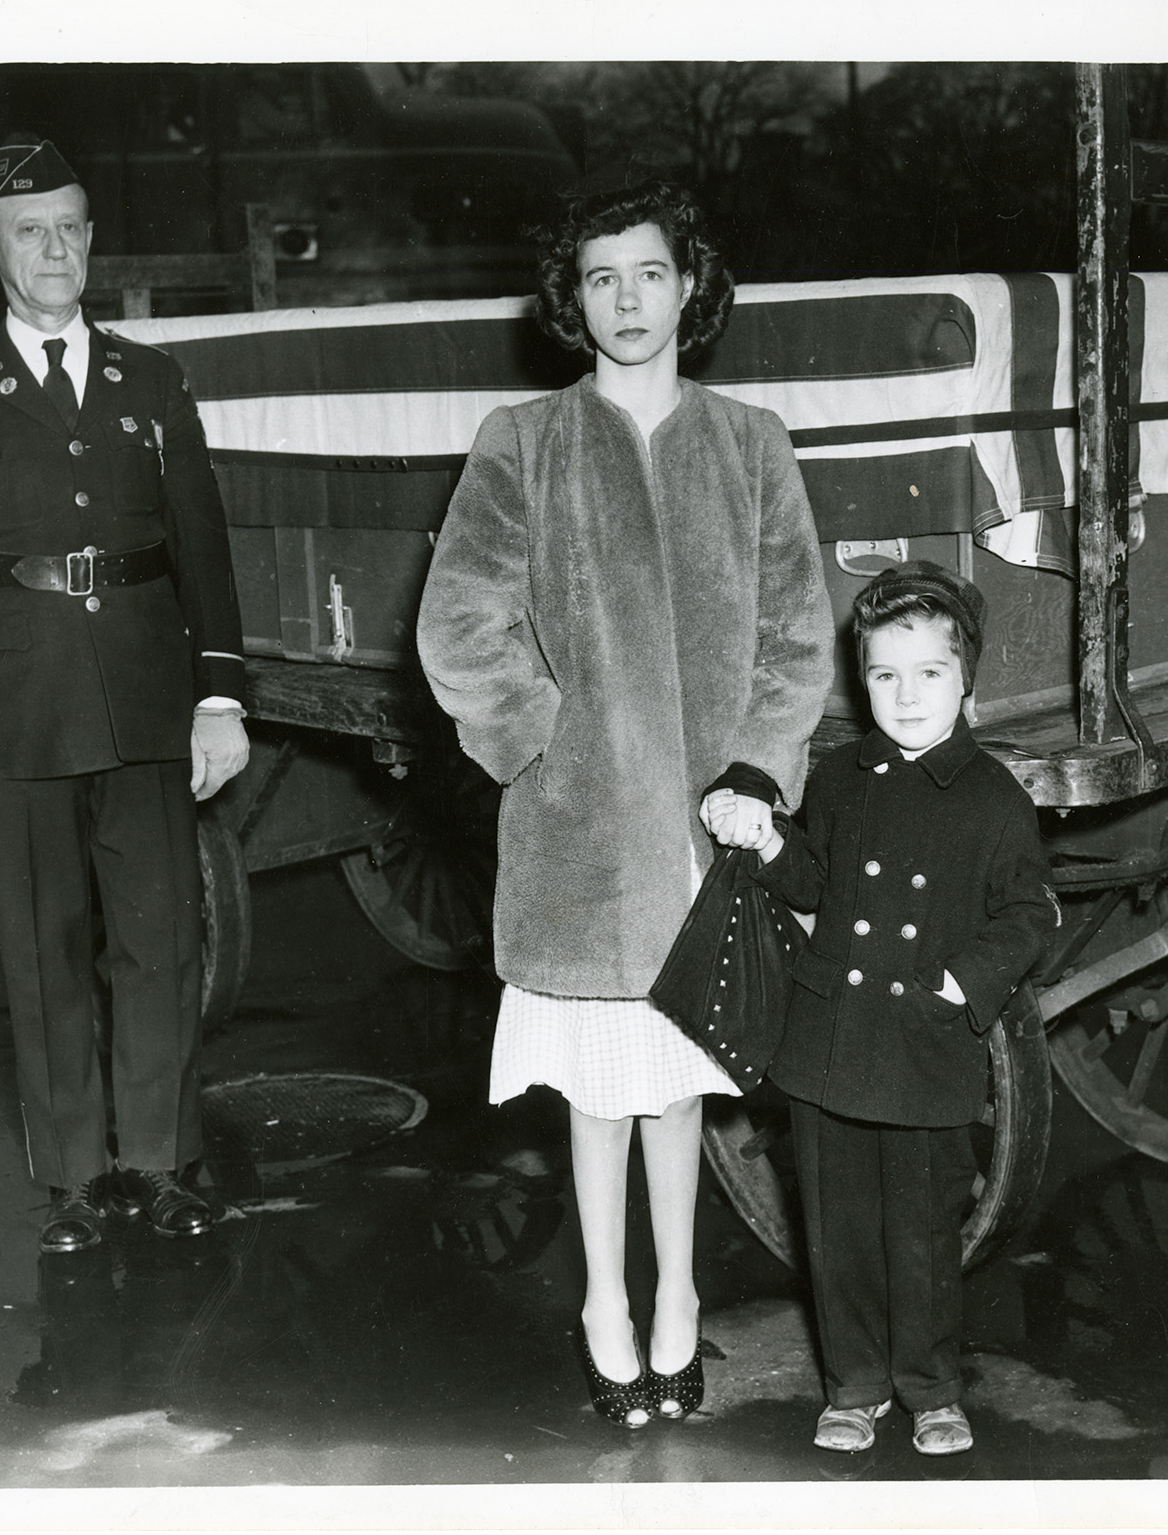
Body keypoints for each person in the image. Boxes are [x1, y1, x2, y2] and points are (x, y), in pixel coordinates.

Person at [417, 179, 833, 1426]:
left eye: (650, 272)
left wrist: (759, 769)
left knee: (682, 1089)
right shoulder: (525, 442)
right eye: (602, 278)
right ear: (573, 299)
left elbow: (799, 637)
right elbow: (459, 621)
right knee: (600, 1091)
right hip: (582, 830)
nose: (628, 299)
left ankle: (681, 1305)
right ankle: (605, 1301)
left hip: (714, 828)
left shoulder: (750, 442)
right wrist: (540, 741)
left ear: (690, 284)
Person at [0, 136, 249, 1254]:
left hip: (144, 695)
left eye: (70, 228)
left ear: (92, 241)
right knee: (43, 950)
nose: (53, 249)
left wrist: (220, 698)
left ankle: (160, 1157)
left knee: (161, 943)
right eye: (28, 229)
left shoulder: (153, 381)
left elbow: (204, 549)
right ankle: (76, 1178)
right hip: (19, 709)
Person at [707, 561, 1058, 1456]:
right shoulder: (840, 777)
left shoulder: (993, 800)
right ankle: (854, 1386)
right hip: (831, 1048)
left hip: (921, 1048)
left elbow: (1028, 914)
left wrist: (962, 985)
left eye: (930, 673)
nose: (907, 695)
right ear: (861, 680)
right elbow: (816, 879)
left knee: (923, 1235)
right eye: (884, 674)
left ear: (965, 678)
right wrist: (770, 837)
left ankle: (932, 1388)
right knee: (839, 1234)